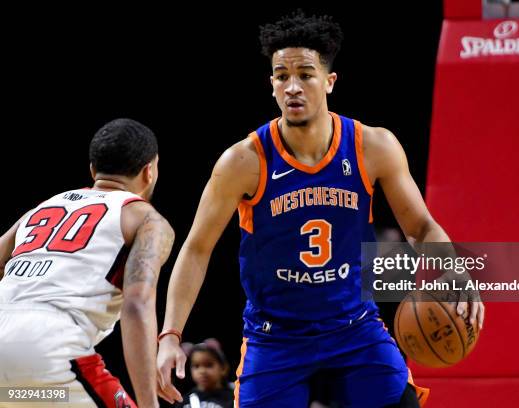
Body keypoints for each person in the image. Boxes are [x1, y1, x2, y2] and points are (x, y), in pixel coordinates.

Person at [157, 11, 484, 408]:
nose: (293, 86)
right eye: (282, 76)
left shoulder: (372, 146)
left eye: (305, 74)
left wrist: (454, 271)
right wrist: (170, 335)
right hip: (275, 336)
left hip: (354, 329)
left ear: (329, 81)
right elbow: (196, 249)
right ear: (272, 85)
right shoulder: (243, 162)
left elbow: (420, 227)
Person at [0, 118, 174, 408]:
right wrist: (148, 401)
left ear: (93, 170)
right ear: (149, 171)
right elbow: (137, 305)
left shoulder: (41, 208)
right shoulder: (147, 219)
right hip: (50, 349)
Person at [175, 339, 233, 408]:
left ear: (223, 368)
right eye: (196, 366)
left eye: (209, 365)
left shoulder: (233, 397)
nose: (202, 371)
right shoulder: (184, 400)